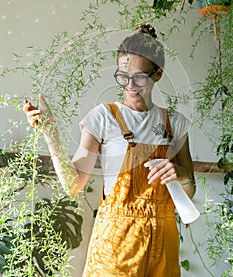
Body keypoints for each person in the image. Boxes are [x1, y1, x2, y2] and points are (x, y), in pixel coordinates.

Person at [23, 24, 196, 277]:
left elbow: (190, 191)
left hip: (164, 242)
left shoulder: (175, 123)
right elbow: (73, 184)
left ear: (158, 74)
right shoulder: (104, 117)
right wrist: (51, 133)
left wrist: (180, 174)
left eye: (139, 77)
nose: (130, 85)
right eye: (123, 76)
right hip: (116, 243)